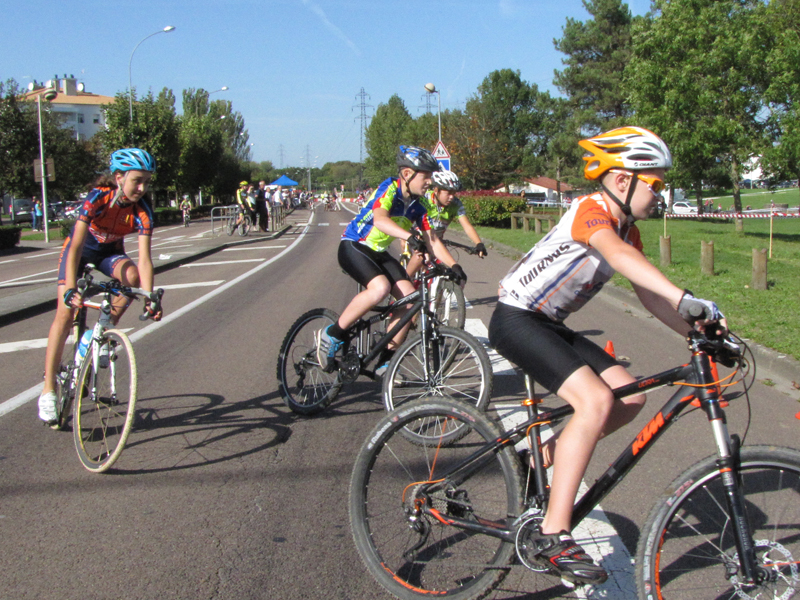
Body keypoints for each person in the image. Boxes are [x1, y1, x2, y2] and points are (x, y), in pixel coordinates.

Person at [488, 127, 726, 584]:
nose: (661, 194)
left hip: (547, 322)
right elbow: (614, 255)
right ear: (622, 181)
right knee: (595, 401)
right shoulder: (590, 211)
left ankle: (537, 459)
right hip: (516, 317)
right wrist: (686, 297)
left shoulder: (627, 229)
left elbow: (650, 298)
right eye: (655, 184)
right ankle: (553, 532)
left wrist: (699, 333)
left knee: (629, 396)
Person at [316, 145, 467, 376]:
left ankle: (386, 361)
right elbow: (380, 221)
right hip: (354, 245)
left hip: (379, 253)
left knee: (410, 300)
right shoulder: (390, 189)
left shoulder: (420, 205)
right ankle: (333, 334)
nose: (429, 183)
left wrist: (454, 267)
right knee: (380, 288)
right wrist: (409, 237)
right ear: (407, 174)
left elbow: (433, 240)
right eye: (426, 177)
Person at [38, 148, 163, 424]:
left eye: (147, 181)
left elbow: (144, 259)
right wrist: (71, 288)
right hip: (80, 253)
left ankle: (99, 331)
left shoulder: (143, 210)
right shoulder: (98, 198)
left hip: (108, 255)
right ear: (119, 177)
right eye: (137, 181)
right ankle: (48, 390)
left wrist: (149, 296)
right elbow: (76, 245)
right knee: (64, 312)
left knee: (132, 280)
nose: (142, 188)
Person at [404, 169, 487, 278]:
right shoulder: (424, 199)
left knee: (457, 275)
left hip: (436, 242)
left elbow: (466, 225)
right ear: (436, 190)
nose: (452, 197)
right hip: (416, 238)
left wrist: (478, 243)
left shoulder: (456, 204)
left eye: (454, 193)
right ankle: (403, 286)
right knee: (421, 258)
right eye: (448, 193)